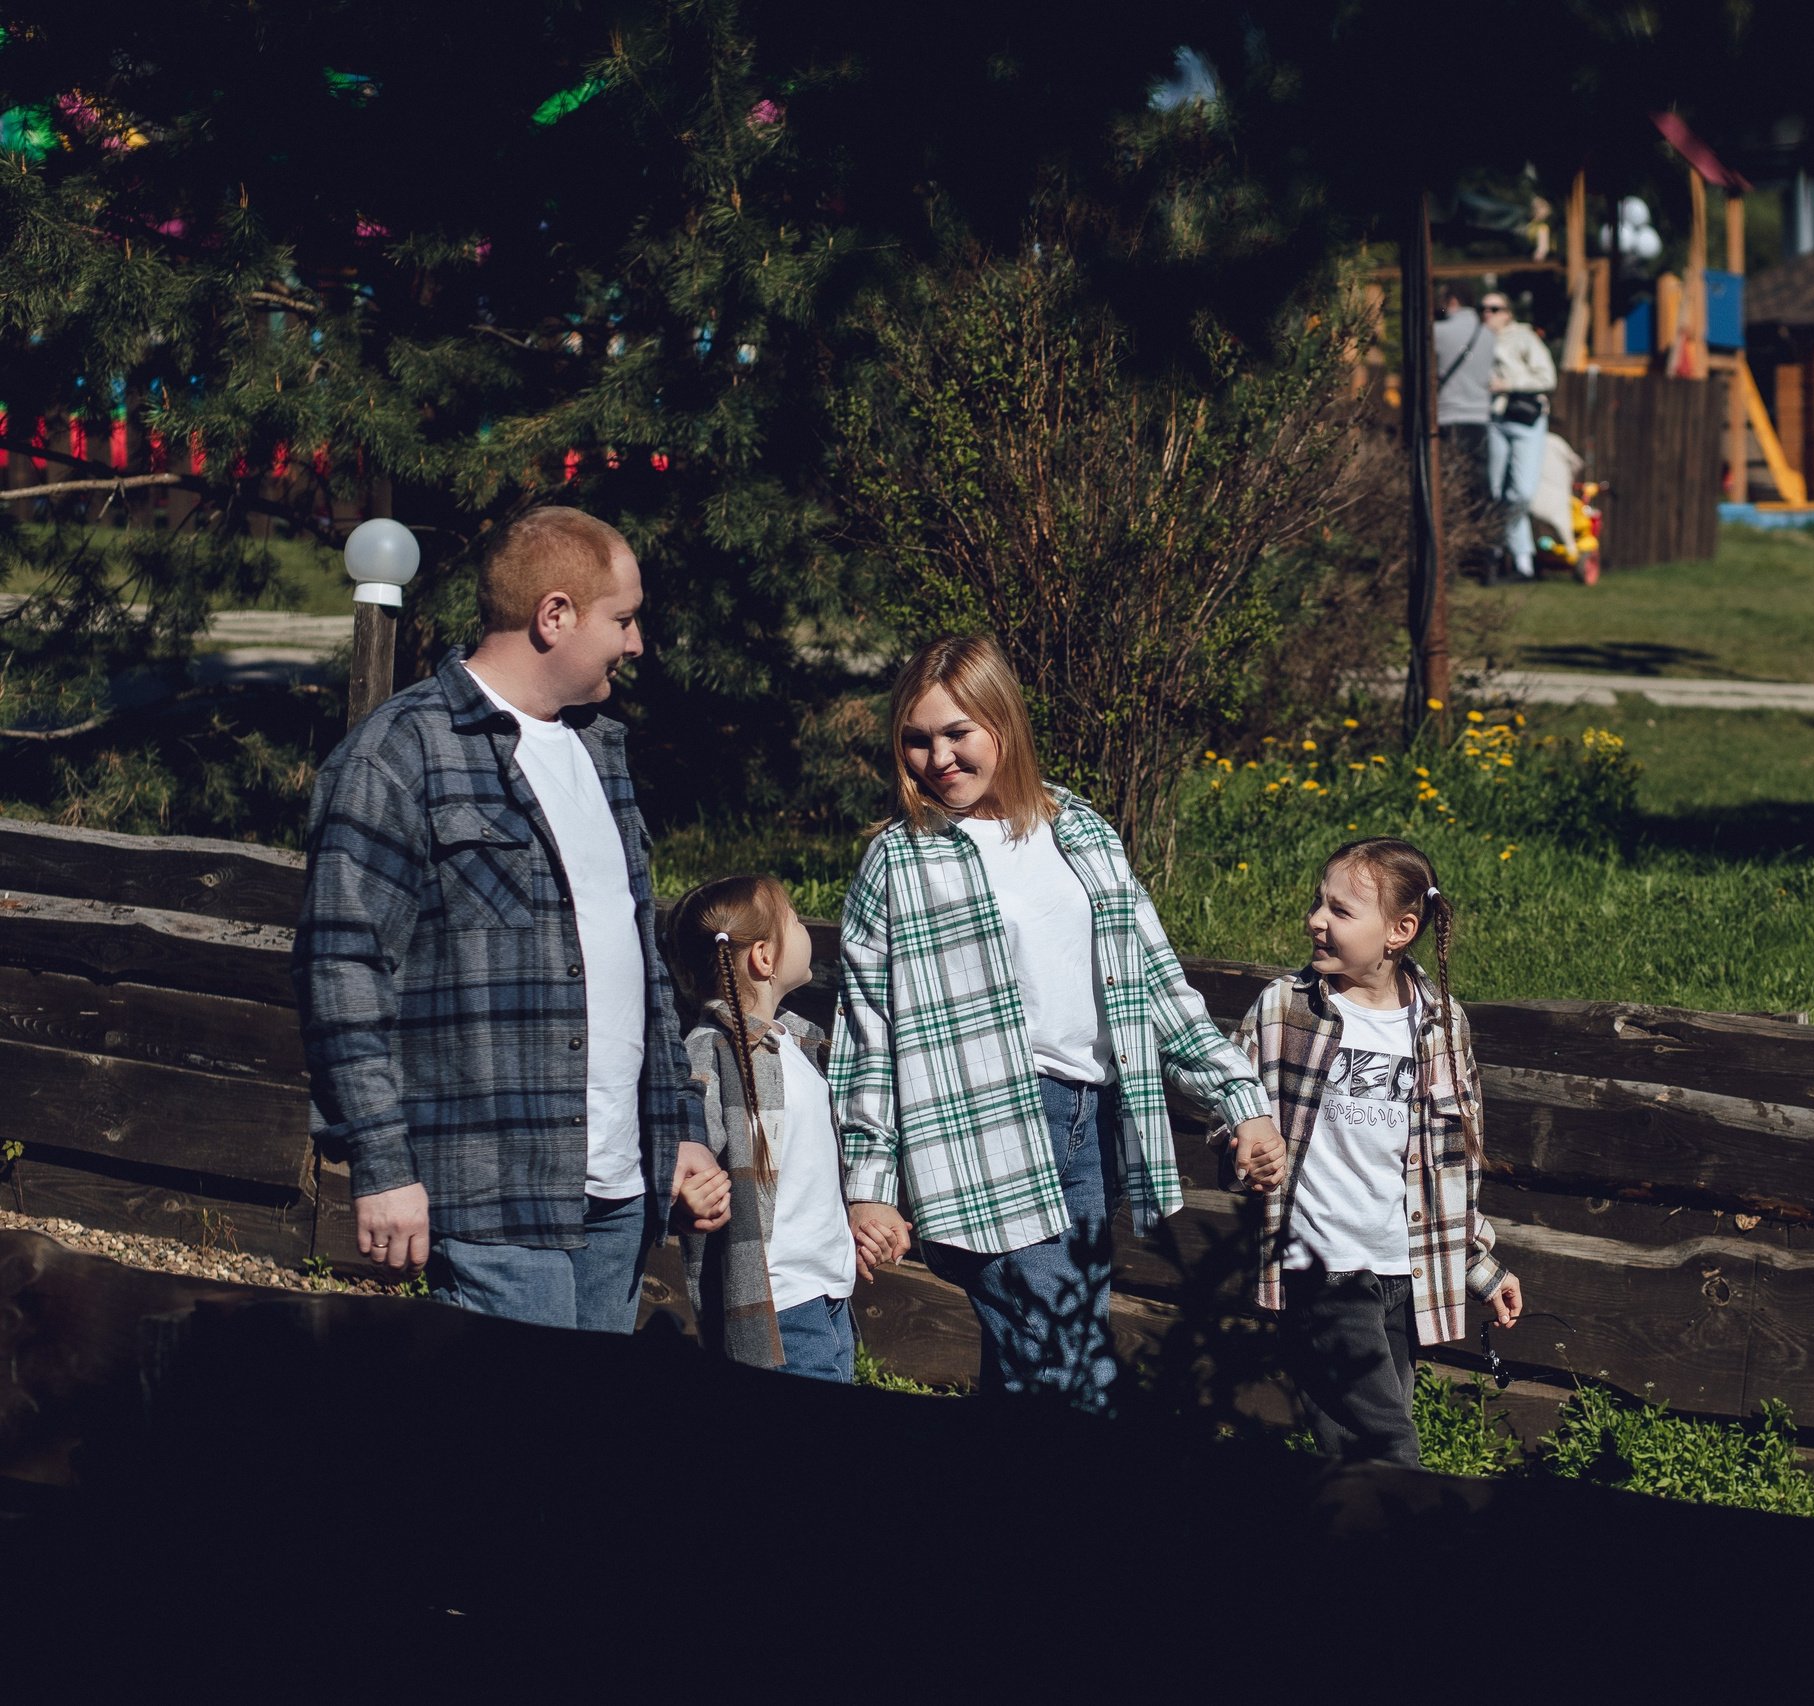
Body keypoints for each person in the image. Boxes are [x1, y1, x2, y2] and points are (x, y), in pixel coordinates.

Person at [295, 506, 728, 1331]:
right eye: (624, 620)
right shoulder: (399, 753)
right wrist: (382, 1165)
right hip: (489, 1190)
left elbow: (636, 965)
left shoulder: (600, 750)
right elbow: (341, 972)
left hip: (619, 1190)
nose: (637, 644)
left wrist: (676, 1127)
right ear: (554, 615)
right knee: (514, 1414)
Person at [829, 635, 1284, 1410]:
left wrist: (1240, 1100)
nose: (937, 758)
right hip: (983, 1136)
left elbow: (1152, 982)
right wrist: (869, 1186)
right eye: (916, 739)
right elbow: (868, 1035)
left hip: (1089, 1124)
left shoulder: (1080, 829)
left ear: (1003, 723)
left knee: (1033, 1365)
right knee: (1071, 1364)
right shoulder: (899, 861)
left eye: (957, 733)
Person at [1228, 837, 1523, 1466]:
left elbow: (1453, 1168)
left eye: (1340, 910)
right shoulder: (1284, 1008)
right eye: (1318, 903)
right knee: (1386, 1453)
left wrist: (1480, 1265)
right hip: (1320, 1268)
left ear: (1400, 931)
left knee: (1363, 1456)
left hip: (1401, 1273)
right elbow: (1233, 1103)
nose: (1316, 920)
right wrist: (1243, 1152)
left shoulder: (1442, 1024)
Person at [668, 874, 890, 1381]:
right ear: (764, 958)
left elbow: (802, 1172)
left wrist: (846, 1228)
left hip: (830, 1293)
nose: (804, 927)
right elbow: (685, 1142)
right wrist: (685, 1195)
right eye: (793, 919)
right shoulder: (710, 1052)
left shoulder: (796, 1043)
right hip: (777, 1305)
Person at [1483, 290, 1558, 581]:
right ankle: (1520, 563)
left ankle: (1504, 551)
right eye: (1483, 308)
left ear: (1507, 313)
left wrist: (1509, 384)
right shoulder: (1477, 340)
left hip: (1525, 420)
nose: (1487, 313)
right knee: (1495, 492)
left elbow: (1547, 377)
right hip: (1494, 419)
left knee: (1521, 493)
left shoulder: (1524, 338)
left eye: (1494, 308)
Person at [1434, 280, 1497, 555]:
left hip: (1448, 418)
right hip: (1479, 421)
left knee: (1448, 487)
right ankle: (1483, 553)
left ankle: (1451, 550)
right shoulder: (1488, 334)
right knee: (1478, 489)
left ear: (1452, 300)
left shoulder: (1437, 332)